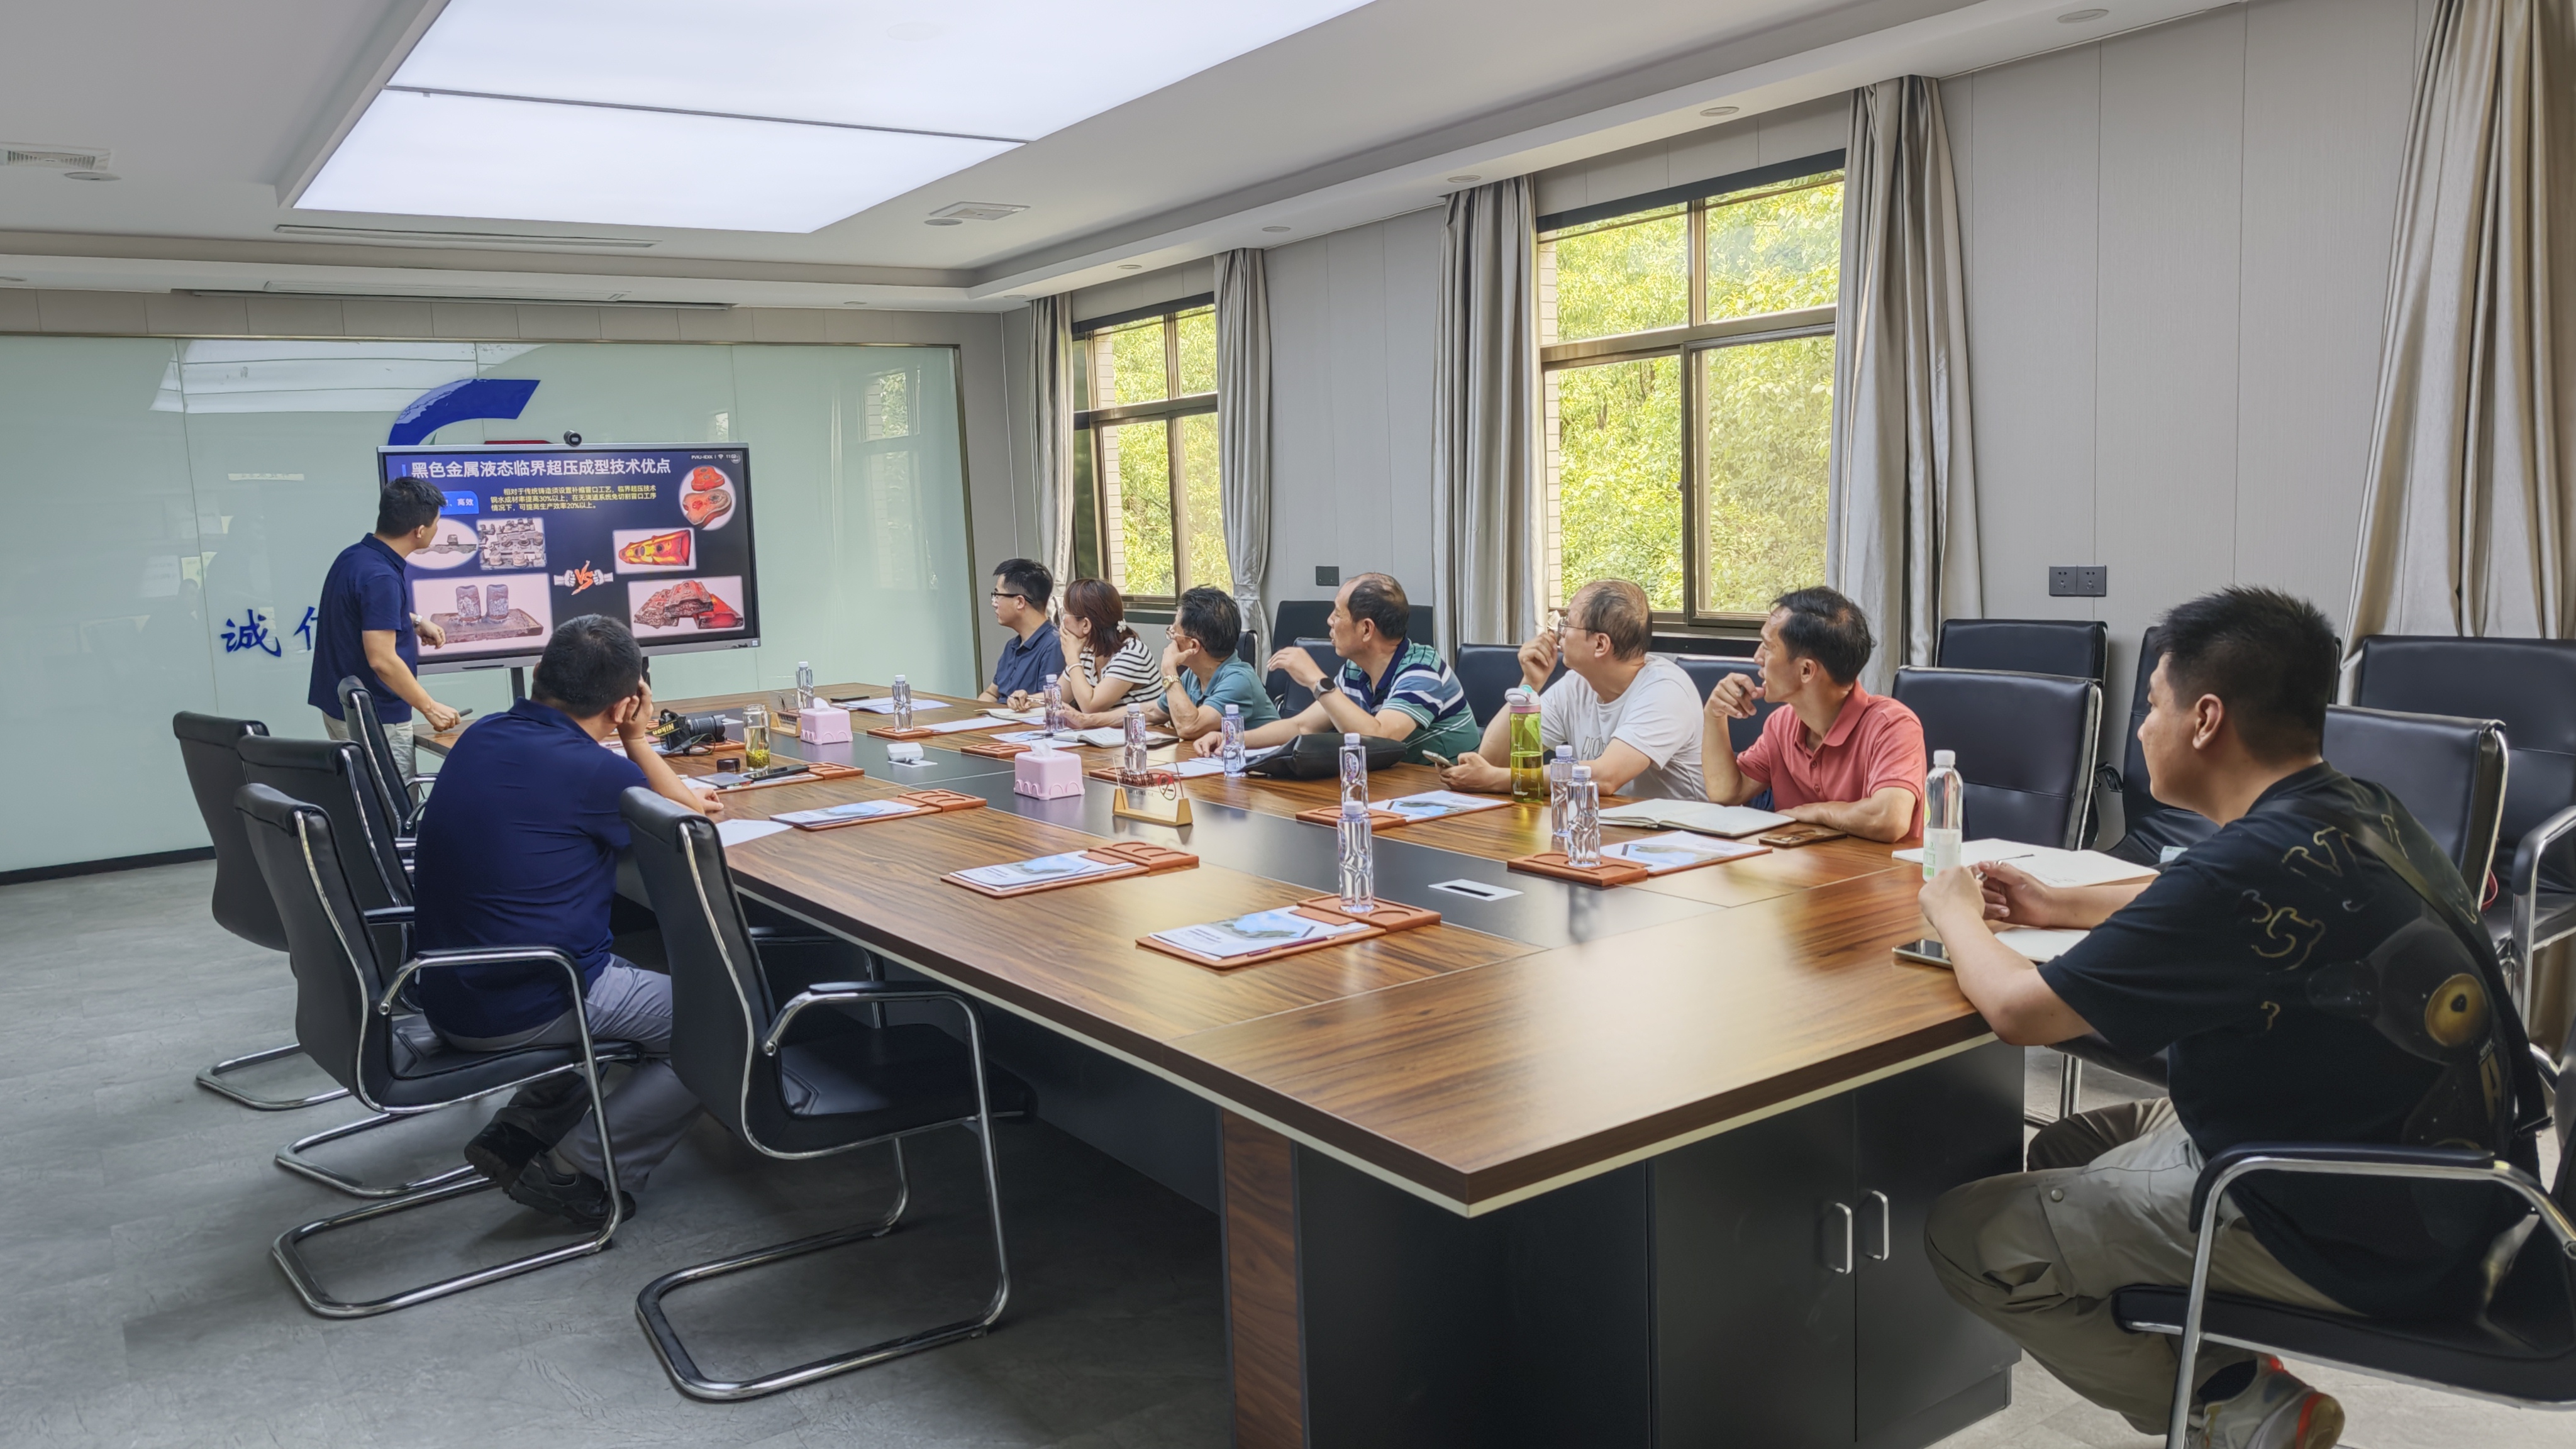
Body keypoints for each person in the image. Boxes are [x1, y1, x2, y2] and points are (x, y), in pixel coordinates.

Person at [1918, 587, 2540, 1449]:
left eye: (2152, 706)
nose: (2143, 729)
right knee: (2067, 1147)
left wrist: (1953, 913)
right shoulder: (2360, 806)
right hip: (2452, 1186)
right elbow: (2203, 889)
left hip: (2346, 1227)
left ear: (2205, 718)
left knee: (1965, 1235)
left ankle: (2234, 1402)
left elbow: (2021, 1011)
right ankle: (2226, 1359)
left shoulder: (2248, 865)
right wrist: (2061, 904)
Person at [410, 616, 724, 1229]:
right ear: (626, 703)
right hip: (525, 999)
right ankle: (578, 1171)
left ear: (538, 675)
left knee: (624, 974)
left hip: (446, 985)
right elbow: (689, 824)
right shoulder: (596, 772)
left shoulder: (482, 734)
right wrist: (637, 740)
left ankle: (520, 1132)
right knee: (717, 1020)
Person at [1434, 579, 1702, 800]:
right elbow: (1495, 760)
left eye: (1567, 623)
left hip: (1677, 836)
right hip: (1601, 825)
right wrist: (1529, 685)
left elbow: (1606, 777)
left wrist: (1494, 779)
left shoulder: (1666, 690)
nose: (1558, 632)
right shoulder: (1577, 684)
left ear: (1600, 644)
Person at [1700, 586, 1923, 843]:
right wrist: (1714, 714)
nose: (1757, 657)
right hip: (1798, 867)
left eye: (1768, 647)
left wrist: (1813, 812)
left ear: (1807, 671)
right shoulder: (1781, 724)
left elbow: (1889, 818)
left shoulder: (1892, 725)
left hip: (1874, 869)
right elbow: (1727, 793)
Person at [1202, 572, 1479, 765]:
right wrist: (1233, 739)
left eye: (1338, 613)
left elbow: (1380, 738)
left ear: (1366, 629)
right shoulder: (1355, 670)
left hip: (1451, 796)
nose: (1329, 621)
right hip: (1396, 789)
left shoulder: (1422, 670)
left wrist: (1316, 679)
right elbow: (1303, 725)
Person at [308, 477, 464, 782]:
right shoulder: (381, 577)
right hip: (377, 719)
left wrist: (414, 621)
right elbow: (382, 659)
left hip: (342, 708)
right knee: (392, 805)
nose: (437, 530)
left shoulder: (355, 557)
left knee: (362, 799)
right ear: (419, 531)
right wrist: (430, 707)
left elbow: (360, 610)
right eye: (436, 524)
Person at [1149, 586, 1279, 741]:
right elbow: (1154, 712)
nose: (1171, 640)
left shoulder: (1240, 680)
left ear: (1193, 646)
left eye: (1173, 632)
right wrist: (1120, 717)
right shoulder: (1193, 675)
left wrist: (1169, 670)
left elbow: (1189, 727)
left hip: (1260, 758)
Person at [1053, 578, 1163, 726]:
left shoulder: (1132, 652)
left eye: (1065, 613)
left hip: (1143, 737)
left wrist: (1072, 658)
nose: (1063, 621)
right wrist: (1027, 699)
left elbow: (1090, 707)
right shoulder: (1087, 650)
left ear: (1085, 625)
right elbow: (1058, 697)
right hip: (1108, 737)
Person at [977, 557, 1060, 706]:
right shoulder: (1012, 646)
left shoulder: (1054, 645)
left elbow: (1052, 701)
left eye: (998, 595)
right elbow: (992, 693)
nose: (994, 603)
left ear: (1020, 602)